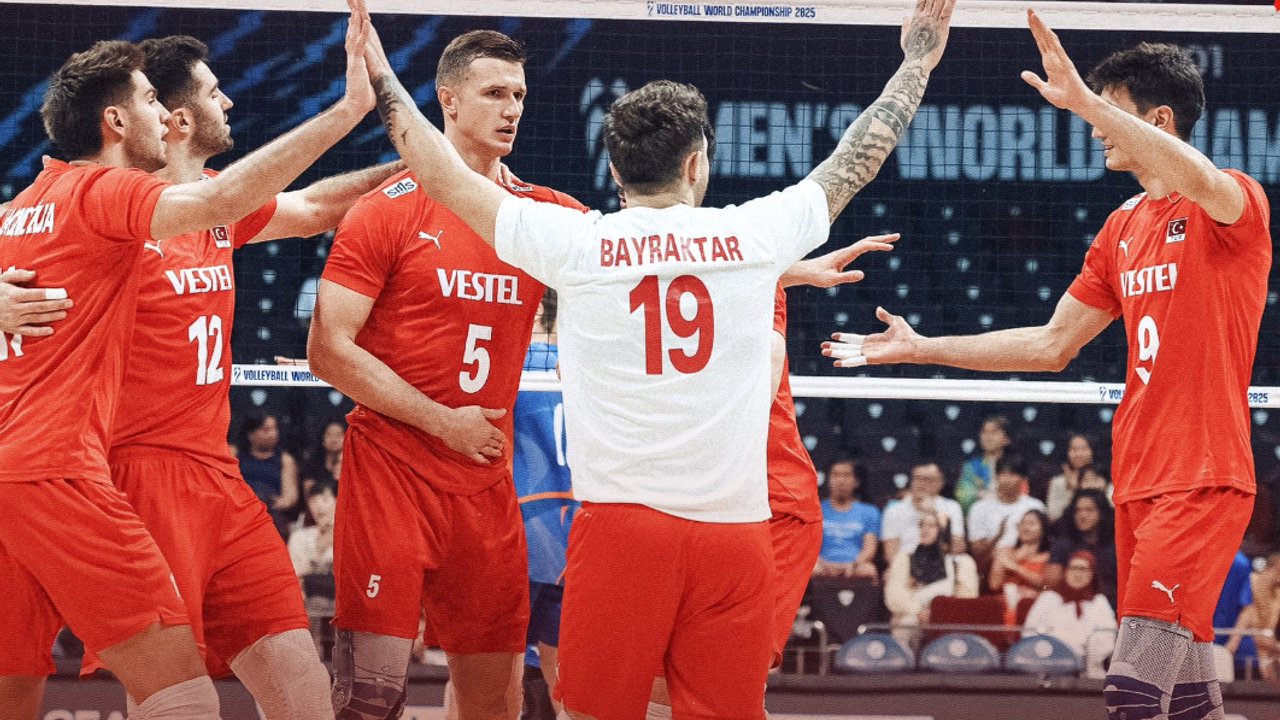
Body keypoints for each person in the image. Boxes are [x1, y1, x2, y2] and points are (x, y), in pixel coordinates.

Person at [346, 0, 954, 714]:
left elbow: (438, 171)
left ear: (613, 168)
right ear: (696, 164)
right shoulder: (756, 236)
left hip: (621, 533)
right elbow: (860, 155)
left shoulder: (575, 242)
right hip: (734, 536)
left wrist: (380, 68)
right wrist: (918, 61)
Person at [826, 11, 1270, 717]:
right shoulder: (1122, 228)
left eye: (1110, 113)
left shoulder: (1233, 203)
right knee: (1188, 702)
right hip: (1137, 478)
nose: (1094, 128)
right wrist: (923, 346)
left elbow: (1200, 174)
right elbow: (1050, 344)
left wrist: (1083, 100)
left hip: (1202, 476)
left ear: (1158, 120)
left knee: (1131, 691)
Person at [0, 12, 373, 719]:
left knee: (298, 684)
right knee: (171, 694)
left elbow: (304, 205)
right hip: (112, 469)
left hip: (202, 474)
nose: (226, 100)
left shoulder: (40, 205)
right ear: (143, 118)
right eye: (153, 99)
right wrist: (351, 108)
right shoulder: (106, 198)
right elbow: (212, 199)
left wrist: (434, 169)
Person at [307, 27, 591, 720]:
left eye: (519, 95)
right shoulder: (386, 209)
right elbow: (328, 350)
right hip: (392, 474)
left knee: (496, 699)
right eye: (494, 93)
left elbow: (650, 258)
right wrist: (441, 421)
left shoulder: (542, 217)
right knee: (369, 698)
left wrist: (774, 267)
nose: (512, 109)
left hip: (484, 481)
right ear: (449, 101)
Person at [511, 289, 575, 720]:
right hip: (575, 532)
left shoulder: (511, 364)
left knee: (486, 672)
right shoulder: (587, 364)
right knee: (562, 676)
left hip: (522, 531)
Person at [884, 513, 979, 649]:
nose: (924, 530)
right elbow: (894, 597)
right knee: (906, 625)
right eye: (920, 525)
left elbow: (968, 597)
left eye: (931, 525)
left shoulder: (961, 562)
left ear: (942, 530)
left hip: (948, 618)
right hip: (911, 616)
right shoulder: (903, 559)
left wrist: (937, 613)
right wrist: (919, 612)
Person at [1021, 550, 1117, 679]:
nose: (1077, 574)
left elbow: (1107, 634)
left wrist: (1087, 654)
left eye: (1083, 569)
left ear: (1091, 574)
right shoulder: (1048, 598)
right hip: (1048, 664)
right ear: (1066, 572)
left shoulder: (1099, 601)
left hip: (1087, 668)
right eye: (1073, 568)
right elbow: (1029, 631)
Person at [966, 455, 1047, 573]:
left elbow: (1043, 545)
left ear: (1022, 479)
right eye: (1003, 474)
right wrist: (998, 536)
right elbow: (977, 552)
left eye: (1012, 475)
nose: (1007, 479)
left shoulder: (1035, 506)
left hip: (1028, 564)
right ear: (996, 476)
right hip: (992, 565)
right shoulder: (980, 508)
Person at [288, 480, 338, 658]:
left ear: (337, 501)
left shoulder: (351, 534)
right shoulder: (301, 536)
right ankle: (312, 656)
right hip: (309, 597)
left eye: (324, 500)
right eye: (313, 501)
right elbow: (297, 573)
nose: (318, 507)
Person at [1045, 489, 1118, 607]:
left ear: (1102, 513)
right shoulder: (1063, 544)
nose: (1082, 515)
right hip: (1068, 606)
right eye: (1078, 510)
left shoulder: (1114, 547)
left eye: (1089, 510)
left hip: (1109, 607)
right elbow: (1051, 583)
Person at [880, 461, 966, 560]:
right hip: (906, 563)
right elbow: (890, 555)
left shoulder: (952, 507)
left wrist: (933, 513)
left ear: (940, 483)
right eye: (918, 478)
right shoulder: (894, 510)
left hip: (942, 563)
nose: (922, 484)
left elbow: (958, 549)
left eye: (929, 480)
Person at [813, 458, 880, 579]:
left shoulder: (869, 511)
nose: (840, 480)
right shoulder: (815, 510)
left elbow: (869, 548)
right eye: (835, 475)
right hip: (822, 564)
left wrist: (852, 564)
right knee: (813, 569)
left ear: (856, 481)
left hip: (855, 565)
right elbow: (808, 547)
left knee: (869, 570)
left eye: (846, 475)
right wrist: (825, 564)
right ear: (828, 479)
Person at [237, 411, 300, 538]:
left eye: (274, 429)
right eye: (266, 430)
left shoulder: (285, 460)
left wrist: (265, 503)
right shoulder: (237, 458)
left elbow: (290, 498)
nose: (272, 434)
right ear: (251, 434)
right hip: (242, 510)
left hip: (271, 513)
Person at [989, 509, 1051, 599]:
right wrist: (1000, 564)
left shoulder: (1048, 556)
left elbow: (1046, 585)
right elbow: (994, 585)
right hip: (1004, 599)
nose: (1025, 528)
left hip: (1032, 601)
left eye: (1031, 524)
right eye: (1022, 523)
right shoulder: (1005, 551)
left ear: (1043, 529)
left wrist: (1016, 567)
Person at [955, 414, 1011, 513]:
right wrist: (981, 496)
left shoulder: (1013, 465)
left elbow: (1022, 492)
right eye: (984, 432)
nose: (988, 437)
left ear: (1006, 439)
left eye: (994, 432)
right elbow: (963, 496)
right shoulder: (971, 466)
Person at [1045, 432, 1096, 521]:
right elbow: (1053, 515)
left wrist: (1076, 488)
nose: (1079, 454)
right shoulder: (1058, 482)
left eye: (1084, 448)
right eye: (1074, 449)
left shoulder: (1101, 479)